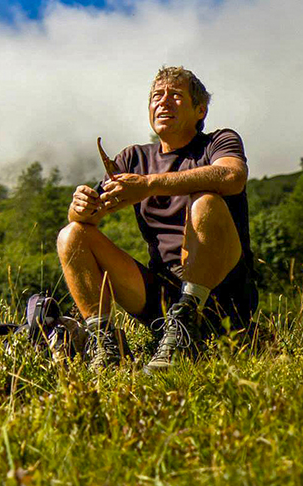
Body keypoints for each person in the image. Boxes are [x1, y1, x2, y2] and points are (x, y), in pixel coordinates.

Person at [55, 66, 258, 372]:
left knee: (206, 201)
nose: (164, 102)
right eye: (156, 96)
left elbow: (232, 176)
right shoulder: (134, 158)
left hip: (224, 295)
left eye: (176, 96)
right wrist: (80, 207)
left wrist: (149, 184)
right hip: (161, 298)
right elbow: (90, 216)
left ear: (199, 109)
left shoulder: (218, 141)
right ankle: (107, 344)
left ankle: (188, 325)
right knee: (71, 234)